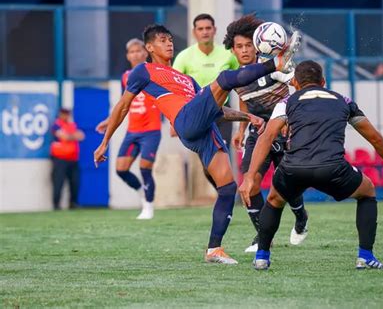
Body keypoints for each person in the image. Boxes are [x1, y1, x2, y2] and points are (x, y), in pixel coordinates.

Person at [94, 23, 300, 265]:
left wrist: (248, 117)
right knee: (223, 79)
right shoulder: (143, 71)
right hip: (185, 121)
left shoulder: (187, 80)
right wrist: (105, 140)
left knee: (227, 187)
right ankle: (275, 64)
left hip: (202, 128)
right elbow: (123, 106)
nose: (169, 43)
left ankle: (214, 249)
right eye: (162, 40)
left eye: (170, 39)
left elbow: (211, 108)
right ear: (149, 47)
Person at [239, 60, 383, 270]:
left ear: (296, 84)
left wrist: (249, 176)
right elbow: (375, 139)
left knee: (274, 199)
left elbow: (266, 137)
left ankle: (262, 256)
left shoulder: (287, 102)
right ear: (324, 82)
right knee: (367, 191)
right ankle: (365, 256)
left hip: (294, 168)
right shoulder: (343, 101)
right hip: (332, 168)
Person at [223, 14, 309, 253]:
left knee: (288, 187)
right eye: (238, 46)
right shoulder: (235, 77)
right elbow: (244, 100)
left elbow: (298, 85)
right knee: (249, 185)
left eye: (248, 45)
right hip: (258, 134)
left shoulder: (273, 69)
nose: (244, 50)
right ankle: (264, 236)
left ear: (258, 44)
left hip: (284, 132)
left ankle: (301, 218)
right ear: (232, 51)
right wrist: (241, 128)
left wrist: (291, 82)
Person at [96, 38, 161, 220]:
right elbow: (123, 103)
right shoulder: (125, 77)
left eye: (138, 50)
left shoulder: (154, 72)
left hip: (151, 130)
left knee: (145, 168)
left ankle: (148, 207)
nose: (135, 54)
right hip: (132, 131)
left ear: (145, 53)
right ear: (127, 56)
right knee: (121, 169)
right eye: (131, 52)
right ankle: (142, 191)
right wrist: (110, 120)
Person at [173, 13, 239, 145]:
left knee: (222, 151)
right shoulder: (184, 57)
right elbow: (174, 89)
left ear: (214, 30)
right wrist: (175, 118)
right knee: (206, 159)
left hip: (222, 112)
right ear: (194, 32)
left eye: (208, 28)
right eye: (200, 29)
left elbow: (241, 83)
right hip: (196, 113)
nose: (205, 32)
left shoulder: (228, 55)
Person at [50, 108, 85, 210]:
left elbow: (81, 136)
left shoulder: (71, 125)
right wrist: (73, 136)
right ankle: (56, 205)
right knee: (58, 182)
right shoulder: (56, 125)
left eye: (67, 114)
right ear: (60, 114)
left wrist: (71, 136)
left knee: (75, 182)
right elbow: (64, 137)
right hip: (60, 159)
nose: (66, 116)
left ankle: (73, 203)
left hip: (73, 158)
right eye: (64, 114)